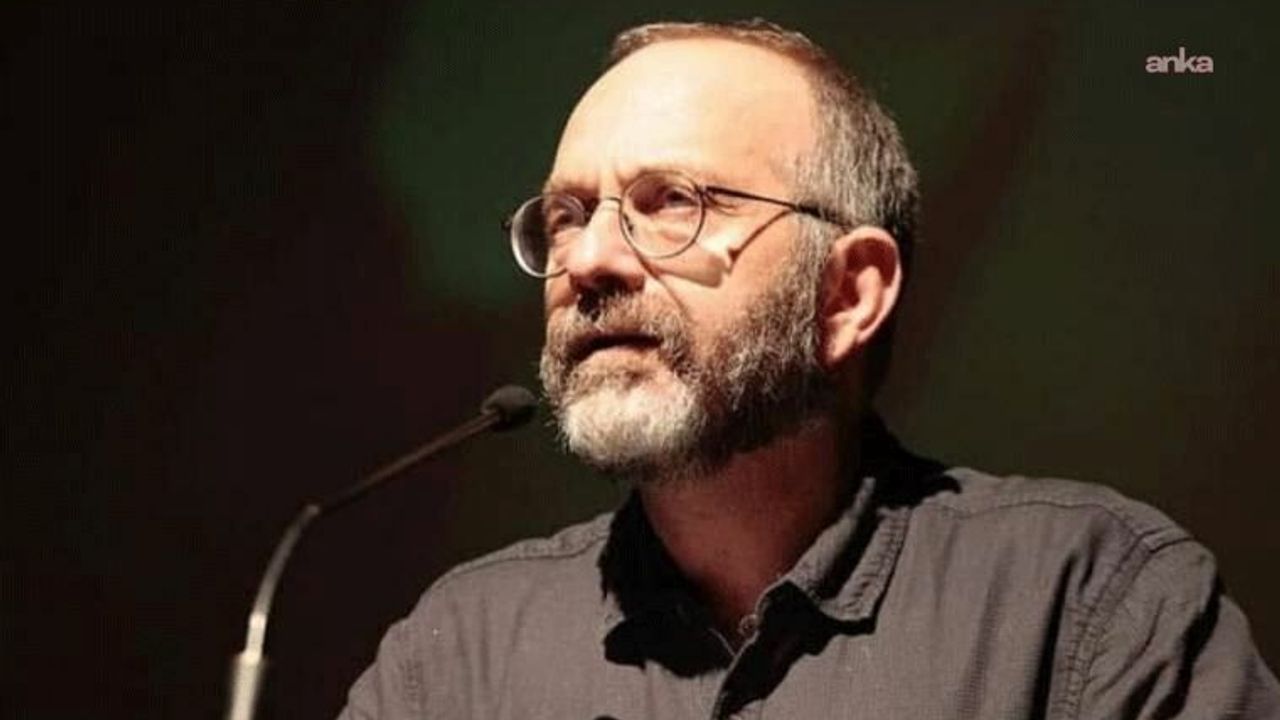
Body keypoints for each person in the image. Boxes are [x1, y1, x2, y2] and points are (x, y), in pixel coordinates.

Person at [340, 19, 1279, 719]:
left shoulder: (1089, 608)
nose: (588, 260)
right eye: (567, 216)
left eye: (672, 202)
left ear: (849, 295)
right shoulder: (457, 657)